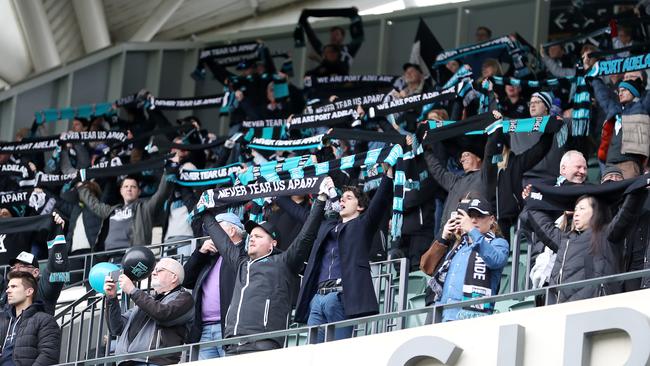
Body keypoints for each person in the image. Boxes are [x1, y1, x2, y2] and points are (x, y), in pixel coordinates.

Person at [197, 177, 331, 355]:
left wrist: (321, 200)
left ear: (273, 243)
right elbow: (221, 239)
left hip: (263, 343)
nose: (252, 239)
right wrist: (204, 212)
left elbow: (307, 235)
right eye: (251, 236)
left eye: (259, 237)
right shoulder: (241, 262)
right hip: (232, 343)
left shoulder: (284, 262)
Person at [278, 167, 394, 342]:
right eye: (341, 198)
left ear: (360, 206)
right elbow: (299, 213)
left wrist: (388, 175)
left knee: (339, 354)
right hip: (317, 298)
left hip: (340, 296)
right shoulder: (326, 225)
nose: (342, 201)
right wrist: (276, 194)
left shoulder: (363, 224)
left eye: (349, 198)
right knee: (312, 355)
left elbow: (380, 201)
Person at [526, 186, 648, 303]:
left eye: (582, 209)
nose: (576, 213)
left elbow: (626, 213)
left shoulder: (608, 234)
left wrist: (638, 188)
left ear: (596, 212)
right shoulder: (565, 240)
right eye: (576, 209)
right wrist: (531, 199)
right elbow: (543, 225)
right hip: (563, 309)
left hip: (597, 309)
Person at [427, 197, 509, 321]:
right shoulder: (459, 245)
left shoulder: (499, 243)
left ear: (491, 220)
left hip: (473, 318)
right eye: (470, 216)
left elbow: (495, 260)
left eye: (479, 216)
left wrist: (471, 230)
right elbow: (429, 268)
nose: (474, 220)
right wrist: (443, 237)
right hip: (444, 315)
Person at [104, 257, 194, 365]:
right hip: (127, 361)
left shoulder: (184, 297)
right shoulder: (147, 300)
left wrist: (132, 290)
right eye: (153, 270)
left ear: (174, 277)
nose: (153, 273)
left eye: (159, 270)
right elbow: (116, 328)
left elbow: (163, 314)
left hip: (153, 362)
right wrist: (111, 298)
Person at [78, 156, 176, 254]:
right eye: (126, 186)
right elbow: (94, 205)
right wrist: (81, 187)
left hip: (133, 256)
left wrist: (169, 170)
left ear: (139, 192)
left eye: (133, 187)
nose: (129, 189)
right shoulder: (111, 210)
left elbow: (162, 194)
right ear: (121, 191)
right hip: (109, 258)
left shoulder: (145, 208)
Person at [182, 213, 245, 360]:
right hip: (203, 329)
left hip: (228, 328)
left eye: (216, 229)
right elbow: (186, 280)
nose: (211, 234)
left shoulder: (244, 253)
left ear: (231, 231)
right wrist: (200, 253)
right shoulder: (210, 255)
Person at [590, 76, 650, 179]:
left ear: (633, 92)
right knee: (608, 194)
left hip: (629, 162)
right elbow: (603, 97)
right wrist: (594, 78)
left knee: (628, 193)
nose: (620, 93)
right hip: (608, 163)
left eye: (624, 90)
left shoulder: (642, 106)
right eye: (619, 91)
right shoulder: (615, 110)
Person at [0, 271, 61, 366]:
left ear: (29, 291)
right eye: (8, 287)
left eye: (14, 287)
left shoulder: (44, 320)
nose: (8, 290)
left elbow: (48, 356)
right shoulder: (5, 322)